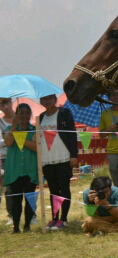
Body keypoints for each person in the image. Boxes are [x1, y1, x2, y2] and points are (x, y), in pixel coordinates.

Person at [36, 93, 78, 229]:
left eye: (49, 98)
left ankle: (63, 219)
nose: (47, 101)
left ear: (55, 99)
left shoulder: (64, 113)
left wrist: (73, 155)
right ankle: (54, 218)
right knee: (53, 190)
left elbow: (72, 135)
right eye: (44, 99)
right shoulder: (40, 117)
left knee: (64, 188)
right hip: (47, 159)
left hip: (64, 157)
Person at [3, 103, 39, 233]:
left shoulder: (34, 130)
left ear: (30, 115)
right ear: (16, 115)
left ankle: (27, 226)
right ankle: (16, 227)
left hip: (30, 169)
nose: (24, 116)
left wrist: (20, 137)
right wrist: (14, 127)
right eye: (21, 113)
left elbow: (36, 147)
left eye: (27, 113)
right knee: (16, 199)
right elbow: (8, 142)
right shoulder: (9, 128)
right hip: (15, 170)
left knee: (29, 199)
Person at [0, 97, 13, 214]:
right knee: (8, 187)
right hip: (6, 158)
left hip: (22, 156)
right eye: (1, 105)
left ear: (11, 102)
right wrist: (9, 139)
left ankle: (31, 214)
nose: (4, 107)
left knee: (26, 187)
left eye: (6, 103)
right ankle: (11, 214)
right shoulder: (0, 122)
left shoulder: (22, 118)